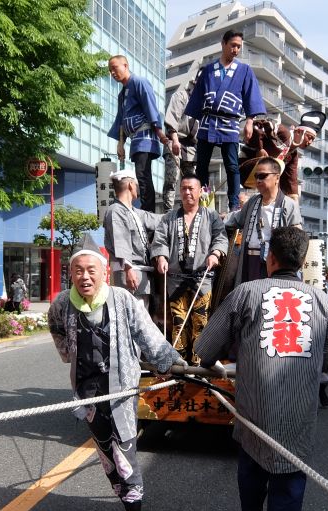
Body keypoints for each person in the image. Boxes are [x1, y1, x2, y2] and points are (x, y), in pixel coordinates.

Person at [195, 226, 328, 511]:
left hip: (255, 407)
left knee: (252, 467)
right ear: (301, 261)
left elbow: (205, 348)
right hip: (299, 411)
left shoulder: (247, 292)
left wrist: (216, 363)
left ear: (270, 257)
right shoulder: (322, 300)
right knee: (289, 475)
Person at [48, 235, 185, 511]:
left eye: (91, 270)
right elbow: (56, 329)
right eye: (78, 270)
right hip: (87, 393)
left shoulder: (122, 299)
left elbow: (147, 333)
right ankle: (127, 509)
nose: (84, 276)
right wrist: (67, 352)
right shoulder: (62, 304)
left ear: (104, 272)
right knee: (106, 456)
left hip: (120, 389)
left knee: (125, 455)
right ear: (71, 273)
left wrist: (169, 362)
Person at [185, 30, 267, 212]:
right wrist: (191, 126)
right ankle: (203, 202)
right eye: (233, 45)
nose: (236, 49)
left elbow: (251, 96)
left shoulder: (244, 70)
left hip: (230, 123)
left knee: (232, 165)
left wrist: (249, 121)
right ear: (223, 43)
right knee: (202, 165)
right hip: (208, 121)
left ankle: (234, 204)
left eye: (239, 47)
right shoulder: (208, 70)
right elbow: (197, 98)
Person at [151, 174, 228, 365]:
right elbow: (160, 239)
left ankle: (198, 365)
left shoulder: (211, 216)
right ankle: (179, 364)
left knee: (201, 322)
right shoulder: (169, 218)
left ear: (200, 191)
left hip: (202, 278)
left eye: (191, 188)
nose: (187, 192)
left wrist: (215, 253)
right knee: (178, 322)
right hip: (176, 279)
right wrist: (161, 257)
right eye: (183, 188)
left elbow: (220, 237)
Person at [226, 157, 302, 285]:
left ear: (277, 178)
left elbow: (297, 238)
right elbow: (235, 219)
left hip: (275, 261)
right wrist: (216, 218)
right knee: (249, 292)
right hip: (249, 259)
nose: (258, 180)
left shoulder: (289, 205)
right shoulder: (253, 201)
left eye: (262, 176)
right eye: (256, 176)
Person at [107, 55, 168, 213]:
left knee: (142, 175)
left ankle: (148, 213)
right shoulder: (122, 95)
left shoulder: (139, 82)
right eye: (110, 70)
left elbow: (150, 106)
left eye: (115, 68)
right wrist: (120, 143)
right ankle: (146, 210)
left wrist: (159, 132)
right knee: (141, 175)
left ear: (125, 65)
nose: (112, 73)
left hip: (145, 136)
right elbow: (121, 119)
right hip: (135, 139)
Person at [103, 169, 161, 309]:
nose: (137, 188)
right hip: (130, 273)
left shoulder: (134, 212)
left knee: (141, 317)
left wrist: (186, 212)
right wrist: (128, 269)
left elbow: (158, 220)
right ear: (130, 185)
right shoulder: (115, 210)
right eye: (136, 184)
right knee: (132, 316)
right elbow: (121, 241)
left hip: (140, 273)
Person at [240, 111, 325, 199]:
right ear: (298, 132)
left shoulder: (293, 154)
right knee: (276, 164)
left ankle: (269, 200)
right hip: (245, 165)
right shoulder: (282, 132)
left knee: (277, 172)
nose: (310, 142)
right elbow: (258, 125)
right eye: (309, 137)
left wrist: (294, 199)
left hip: (256, 178)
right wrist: (259, 148)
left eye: (312, 140)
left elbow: (291, 178)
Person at [162, 67, 200, 212]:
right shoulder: (181, 96)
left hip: (191, 146)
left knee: (191, 182)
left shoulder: (203, 104)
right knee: (171, 179)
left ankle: (189, 210)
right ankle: (168, 212)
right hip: (175, 140)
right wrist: (175, 139)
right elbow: (172, 119)